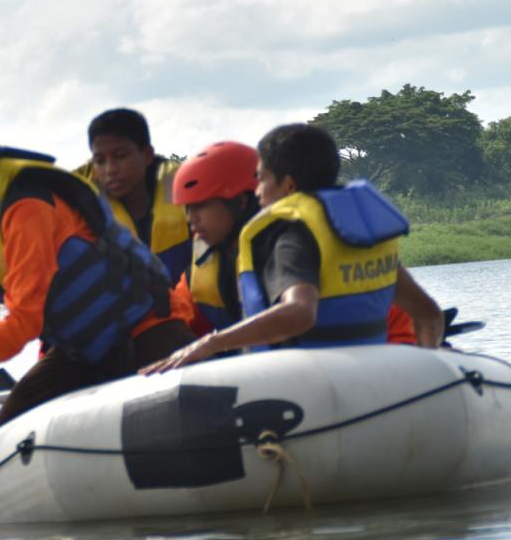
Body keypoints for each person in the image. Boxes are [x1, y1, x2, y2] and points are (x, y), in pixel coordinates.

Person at [0, 99, 194, 428]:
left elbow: (26, 318)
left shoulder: (27, 206)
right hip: (81, 350)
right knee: (8, 430)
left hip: (148, 327)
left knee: (165, 426)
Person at [144, 123, 443, 373]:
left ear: (287, 186)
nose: (258, 190)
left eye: (261, 179)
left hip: (312, 382)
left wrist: (210, 343)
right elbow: (429, 314)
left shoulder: (289, 236)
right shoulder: (360, 233)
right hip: (382, 375)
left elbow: (300, 312)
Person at [74, 108, 192, 284]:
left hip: (187, 305)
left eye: (121, 156)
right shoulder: (77, 201)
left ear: (147, 155)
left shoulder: (188, 190)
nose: (110, 169)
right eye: (100, 161)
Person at [168, 141, 261, 337]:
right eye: (188, 208)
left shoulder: (283, 250)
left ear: (240, 202)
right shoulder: (199, 268)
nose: (190, 218)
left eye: (201, 206)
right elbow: (178, 327)